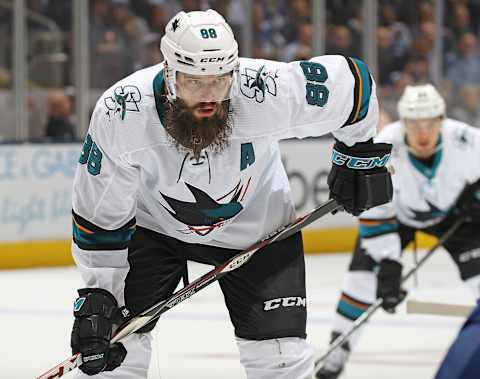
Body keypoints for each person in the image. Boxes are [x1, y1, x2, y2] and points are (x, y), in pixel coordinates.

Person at [70, 9, 393, 379]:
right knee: (117, 350)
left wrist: (357, 155)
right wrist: (101, 295)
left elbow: (354, 86)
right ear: (170, 73)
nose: (209, 95)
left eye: (220, 80)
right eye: (194, 82)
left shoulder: (264, 90)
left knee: (281, 358)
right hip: (153, 228)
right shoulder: (122, 113)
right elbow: (99, 217)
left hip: (260, 229)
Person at [315, 84, 480, 379]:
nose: (423, 133)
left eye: (430, 123)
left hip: (456, 216)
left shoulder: (467, 140)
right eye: (415, 124)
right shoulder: (385, 147)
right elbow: (375, 212)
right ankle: (335, 356)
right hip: (397, 219)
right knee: (361, 282)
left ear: (442, 120)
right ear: (403, 122)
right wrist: (389, 264)